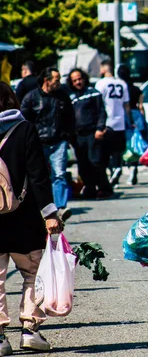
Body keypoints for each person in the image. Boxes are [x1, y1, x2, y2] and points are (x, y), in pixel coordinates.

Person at [0, 83, 64, 355]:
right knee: (32, 275)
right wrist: (50, 213)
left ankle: (0, 338)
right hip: (24, 219)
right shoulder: (24, 129)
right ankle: (30, 330)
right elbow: (38, 175)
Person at [21, 68, 75, 222]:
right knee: (39, 176)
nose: (59, 82)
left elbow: (71, 117)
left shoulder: (63, 96)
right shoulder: (31, 97)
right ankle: (42, 208)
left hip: (59, 142)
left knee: (60, 174)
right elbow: (24, 120)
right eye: (56, 79)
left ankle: (60, 208)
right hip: (38, 143)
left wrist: (67, 136)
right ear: (47, 80)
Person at [68, 68, 113, 199]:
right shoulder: (72, 97)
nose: (77, 82)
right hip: (78, 136)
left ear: (84, 78)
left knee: (95, 162)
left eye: (79, 79)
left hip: (93, 133)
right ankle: (90, 188)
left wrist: (100, 128)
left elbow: (101, 112)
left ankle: (105, 189)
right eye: (74, 80)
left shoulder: (93, 93)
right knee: (83, 164)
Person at [95, 60, 133, 187]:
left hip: (106, 121)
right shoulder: (122, 83)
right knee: (118, 150)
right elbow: (126, 105)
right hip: (120, 121)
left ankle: (111, 172)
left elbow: (97, 104)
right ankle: (117, 169)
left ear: (104, 69)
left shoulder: (100, 84)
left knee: (105, 150)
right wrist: (130, 120)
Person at [117, 65, 148, 186]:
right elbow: (141, 106)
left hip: (125, 117)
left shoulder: (121, 88)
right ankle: (134, 168)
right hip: (137, 116)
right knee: (136, 145)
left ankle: (128, 169)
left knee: (127, 146)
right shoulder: (137, 89)